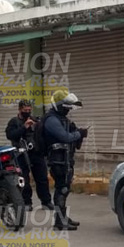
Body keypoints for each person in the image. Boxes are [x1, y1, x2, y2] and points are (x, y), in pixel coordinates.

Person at [42, 92, 88, 231]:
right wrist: (78, 133)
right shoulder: (51, 120)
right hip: (57, 160)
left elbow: (69, 135)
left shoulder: (61, 119)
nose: (68, 110)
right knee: (62, 189)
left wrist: (77, 132)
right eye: (66, 107)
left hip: (65, 159)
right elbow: (65, 137)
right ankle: (59, 222)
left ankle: (61, 218)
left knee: (65, 188)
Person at [4, 99, 52, 210]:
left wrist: (38, 125)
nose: (27, 112)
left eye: (29, 110)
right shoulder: (14, 122)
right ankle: (26, 202)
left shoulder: (34, 119)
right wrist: (24, 127)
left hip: (36, 153)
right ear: (20, 109)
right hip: (21, 154)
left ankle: (46, 202)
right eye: (25, 110)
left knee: (42, 178)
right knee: (24, 179)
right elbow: (10, 135)